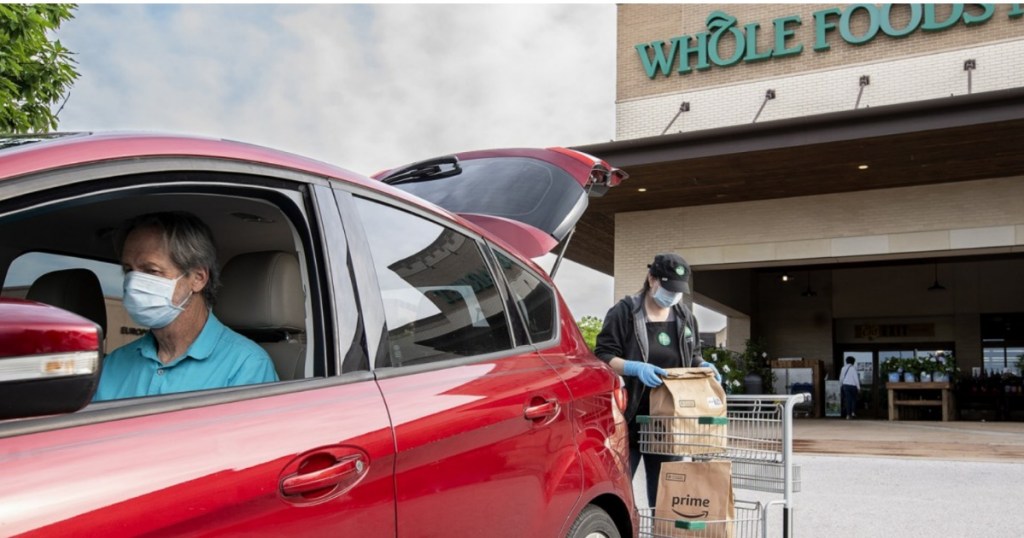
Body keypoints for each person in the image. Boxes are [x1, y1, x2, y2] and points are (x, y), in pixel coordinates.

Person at [94, 211, 278, 401]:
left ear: (198, 278)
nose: (133, 284)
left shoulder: (245, 365)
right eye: (129, 271)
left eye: (151, 271)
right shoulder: (113, 364)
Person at [594, 252, 719, 505]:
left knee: (666, 496)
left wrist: (702, 366)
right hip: (630, 419)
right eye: (667, 288)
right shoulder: (625, 312)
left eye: (677, 291)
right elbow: (603, 355)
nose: (672, 296)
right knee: (619, 491)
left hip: (669, 423)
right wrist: (633, 367)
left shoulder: (685, 318)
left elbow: (692, 355)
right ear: (652, 279)